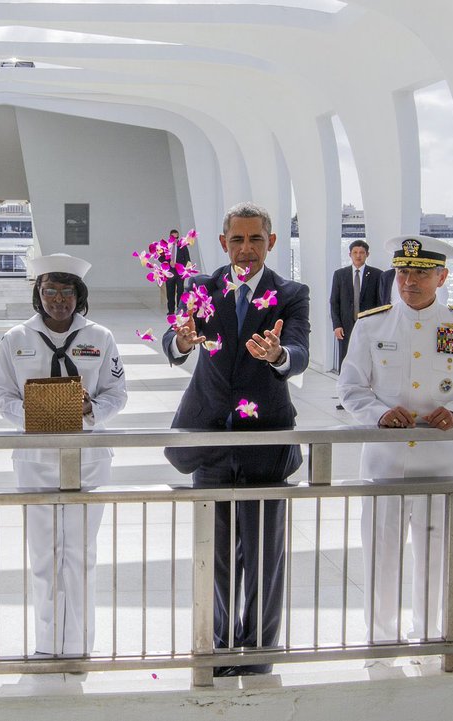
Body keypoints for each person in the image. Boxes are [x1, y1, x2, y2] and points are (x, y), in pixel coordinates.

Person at [161, 202, 310, 676]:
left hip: (266, 444)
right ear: (224, 243)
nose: (247, 249)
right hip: (210, 441)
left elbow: (300, 351)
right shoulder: (201, 289)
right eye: (238, 240)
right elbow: (173, 341)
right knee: (216, 557)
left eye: (256, 239)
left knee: (265, 557)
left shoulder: (291, 294)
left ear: (271, 242)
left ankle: (259, 654)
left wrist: (278, 354)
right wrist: (182, 341)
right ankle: (221, 649)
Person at [337, 234, 453, 645]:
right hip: (384, 462)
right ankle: (381, 638)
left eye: (421, 273)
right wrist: (378, 413)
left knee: (435, 554)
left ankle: (429, 633)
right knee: (380, 554)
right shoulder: (372, 324)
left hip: (439, 463)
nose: (410, 281)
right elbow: (351, 387)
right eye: (403, 271)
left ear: (442, 277)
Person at [0, 253, 128, 658]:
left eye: (67, 291)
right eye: (50, 290)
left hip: (88, 457)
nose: (58, 300)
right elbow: (2, 394)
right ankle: (48, 645)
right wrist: (38, 415)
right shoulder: (15, 338)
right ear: (38, 292)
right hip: (35, 458)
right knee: (43, 555)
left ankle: (79, 644)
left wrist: (89, 411)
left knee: (81, 554)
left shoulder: (100, 337)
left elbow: (117, 394)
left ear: (79, 295)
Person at [329, 239, 383, 371]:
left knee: (367, 358)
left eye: (362, 252)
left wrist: (378, 325)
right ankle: (344, 382)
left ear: (367, 254)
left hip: (369, 325)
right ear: (350, 254)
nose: (358, 255)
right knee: (345, 358)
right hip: (345, 326)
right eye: (355, 252)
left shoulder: (377, 275)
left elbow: (380, 302)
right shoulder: (340, 274)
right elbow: (334, 301)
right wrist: (337, 325)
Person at [162, 228, 191, 316]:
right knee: (170, 291)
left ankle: (179, 309)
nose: (175, 239)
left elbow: (187, 258)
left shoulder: (183, 246)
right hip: (170, 271)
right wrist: (168, 262)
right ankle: (171, 310)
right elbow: (161, 258)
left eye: (177, 237)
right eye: (173, 237)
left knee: (180, 290)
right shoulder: (166, 246)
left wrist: (184, 269)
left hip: (179, 272)